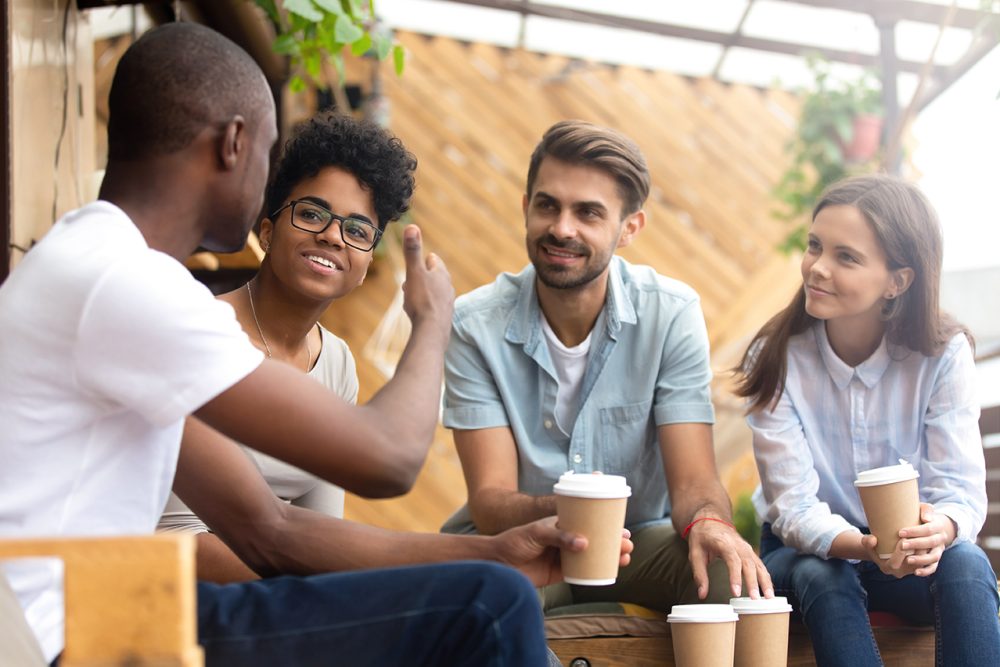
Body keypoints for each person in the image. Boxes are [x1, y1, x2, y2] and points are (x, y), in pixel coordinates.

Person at [0, 24, 631, 667]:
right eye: (271, 156)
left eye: (358, 230)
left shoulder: (109, 273)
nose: (332, 236)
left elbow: (272, 530)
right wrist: (434, 321)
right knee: (487, 606)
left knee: (486, 594)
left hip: (95, 615)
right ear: (234, 144)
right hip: (69, 635)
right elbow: (386, 460)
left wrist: (494, 550)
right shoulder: (128, 285)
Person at [441, 119, 772, 612]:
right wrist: (583, 513)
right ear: (525, 206)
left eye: (588, 213)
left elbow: (693, 482)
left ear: (629, 228)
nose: (561, 228)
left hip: (636, 543)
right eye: (547, 205)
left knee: (726, 571)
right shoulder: (474, 324)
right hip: (519, 541)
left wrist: (711, 523)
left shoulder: (670, 314)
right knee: (488, 597)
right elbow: (491, 502)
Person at [735, 174, 1000, 666]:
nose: (817, 268)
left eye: (846, 257)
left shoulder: (942, 356)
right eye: (815, 246)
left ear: (898, 280)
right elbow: (792, 508)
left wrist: (938, 529)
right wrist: (861, 546)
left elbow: (959, 492)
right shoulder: (776, 357)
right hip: (804, 555)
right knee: (824, 572)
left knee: (966, 563)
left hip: (908, 556)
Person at [157, 112, 409, 583]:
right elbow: (176, 537)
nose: (333, 236)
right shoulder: (204, 332)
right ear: (269, 233)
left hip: (272, 599)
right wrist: (307, 596)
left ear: (365, 260)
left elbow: (323, 531)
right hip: (171, 593)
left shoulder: (336, 364)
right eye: (312, 213)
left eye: (357, 229)